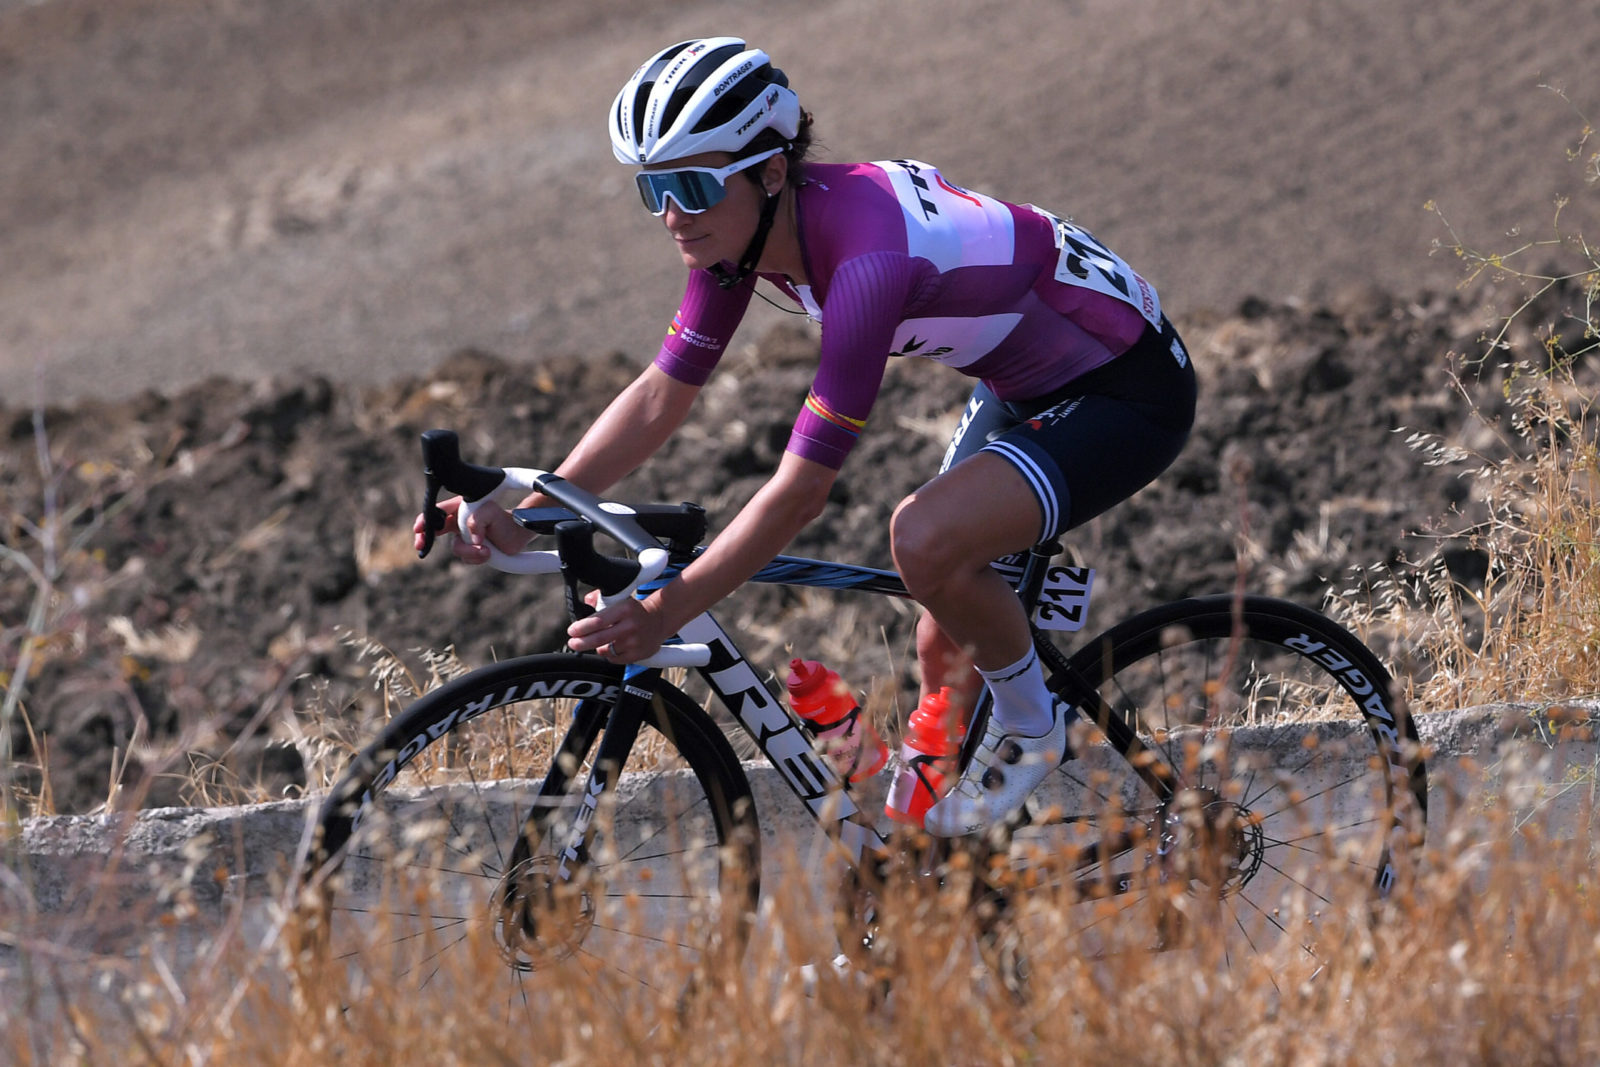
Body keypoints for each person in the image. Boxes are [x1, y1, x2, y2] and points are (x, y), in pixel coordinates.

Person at [414, 37, 1196, 836]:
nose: (674, 216)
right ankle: (939, 862)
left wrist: (665, 610)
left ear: (771, 172)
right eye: (653, 189)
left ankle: (1033, 727)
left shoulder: (863, 262)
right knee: (945, 639)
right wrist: (532, 508)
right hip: (1025, 383)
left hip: (1125, 389)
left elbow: (800, 493)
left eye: (693, 186)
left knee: (924, 540)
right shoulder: (740, 239)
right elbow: (658, 397)